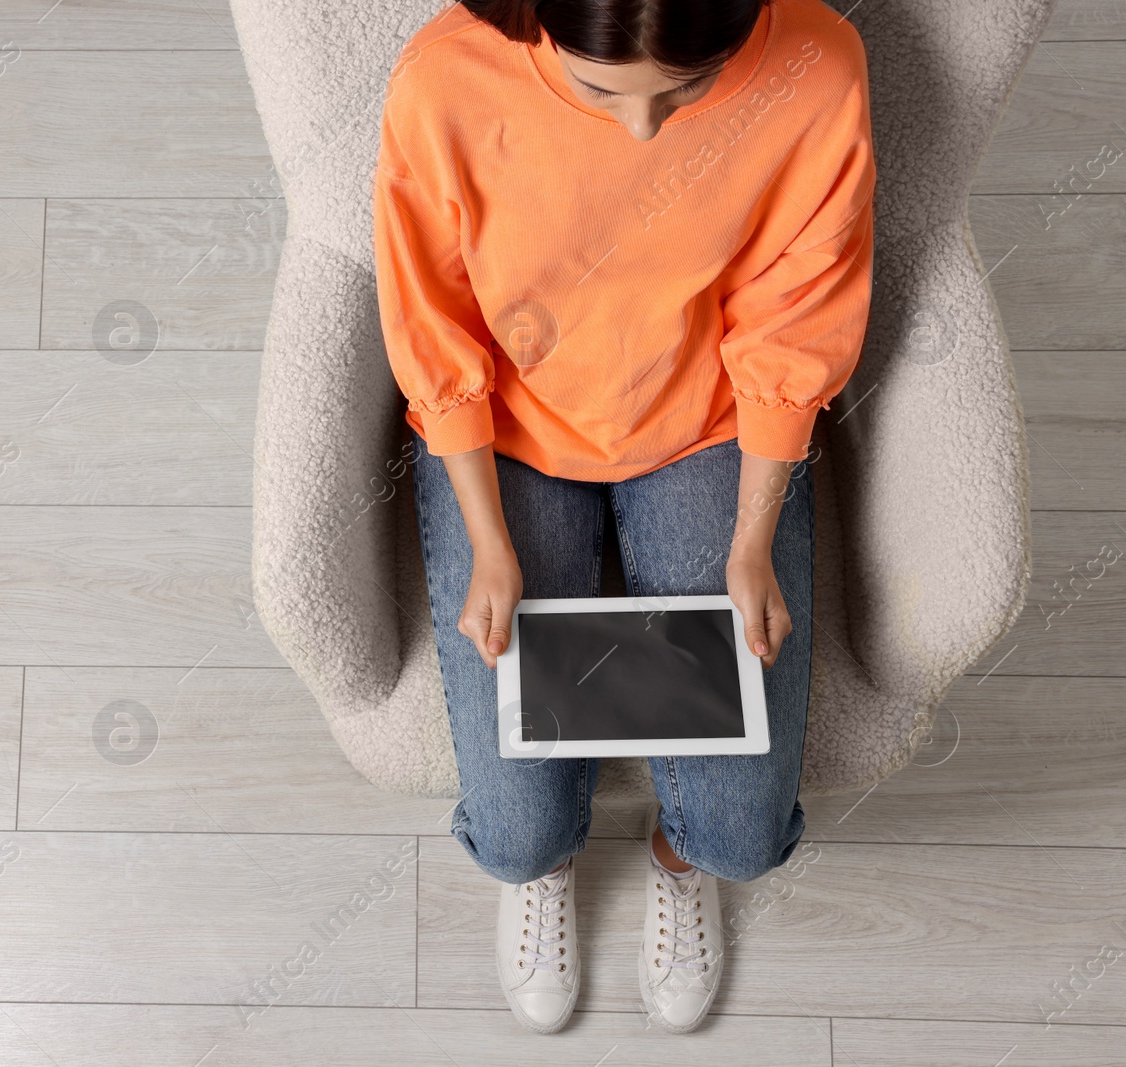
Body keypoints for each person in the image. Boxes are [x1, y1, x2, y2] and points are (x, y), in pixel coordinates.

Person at [371, 0, 875, 1036]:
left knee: (741, 836)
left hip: (705, 426)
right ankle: (546, 864)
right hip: (506, 430)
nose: (646, 133)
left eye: (685, 93)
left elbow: (795, 319)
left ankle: (675, 856)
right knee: (513, 836)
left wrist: (751, 540)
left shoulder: (814, 67)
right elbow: (434, 324)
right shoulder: (445, 81)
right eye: (602, 95)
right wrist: (490, 543)